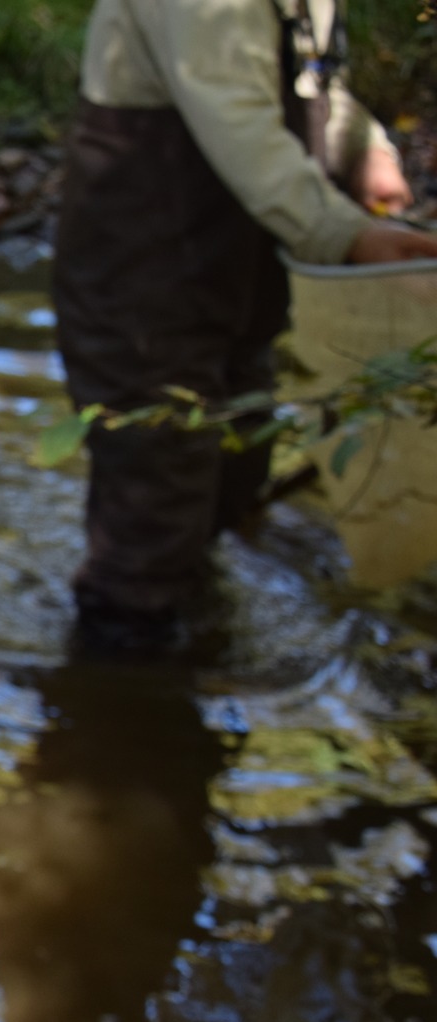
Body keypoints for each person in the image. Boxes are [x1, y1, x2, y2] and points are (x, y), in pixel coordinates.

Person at [53, 0, 437, 655]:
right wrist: (343, 233)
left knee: (234, 465)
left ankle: (195, 641)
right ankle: (116, 701)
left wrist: (363, 146)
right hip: (139, 269)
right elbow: (235, 114)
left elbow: (305, 80)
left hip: (236, 273)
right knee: (156, 493)